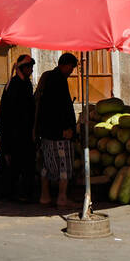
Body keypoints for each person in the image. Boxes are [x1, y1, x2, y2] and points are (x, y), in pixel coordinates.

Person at [34, 53, 78, 208]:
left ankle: (45, 196)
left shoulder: (49, 77)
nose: (71, 71)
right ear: (65, 65)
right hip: (58, 134)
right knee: (64, 166)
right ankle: (62, 197)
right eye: (71, 68)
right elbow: (58, 109)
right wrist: (64, 130)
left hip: (46, 133)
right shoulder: (58, 80)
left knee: (46, 165)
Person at [0, 54, 36, 201]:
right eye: (28, 67)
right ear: (22, 68)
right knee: (13, 164)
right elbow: (7, 112)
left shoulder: (26, 84)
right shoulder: (13, 85)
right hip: (14, 132)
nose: (31, 70)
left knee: (27, 165)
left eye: (32, 67)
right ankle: (11, 193)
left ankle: (24, 193)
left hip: (26, 132)